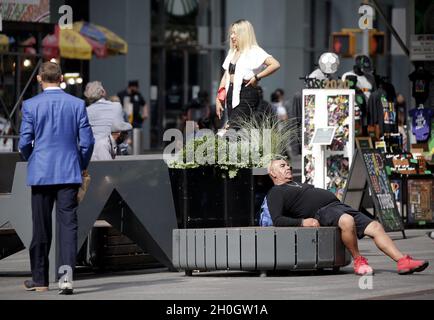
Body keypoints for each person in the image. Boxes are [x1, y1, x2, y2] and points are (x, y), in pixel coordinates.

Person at [266, 159, 429, 276]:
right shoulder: (276, 192)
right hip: (322, 211)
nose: (287, 167)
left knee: (376, 227)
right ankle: (358, 260)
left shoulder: (295, 184)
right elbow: (277, 219)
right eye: (282, 166)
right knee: (347, 221)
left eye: (288, 164)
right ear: (272, 173)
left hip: (337, 206)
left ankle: (402, 261)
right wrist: (303, 222)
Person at [18, 62, 95, 294]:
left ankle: (40, 279)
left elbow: (23, 143)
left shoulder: (30, 105)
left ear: (40, 79)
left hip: (41, 173)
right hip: (68, 172)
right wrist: (80, 164)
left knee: (40, 227)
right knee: (68, 226)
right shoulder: (77, 104)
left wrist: (34, 158)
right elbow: (88, 142)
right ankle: (66, 278)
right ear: (61, 78)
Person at [215, 19, 280, 128]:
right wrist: (219, 98)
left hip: (246, 92)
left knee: (233, 128)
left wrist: (257, 77)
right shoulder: (232, 52)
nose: (231, 36)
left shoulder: (254, 51)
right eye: (231, 33)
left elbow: (275, 64)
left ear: (243, 34)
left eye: (235, 33)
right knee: (238, 129)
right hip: (231, 92)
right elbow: (226, 75)